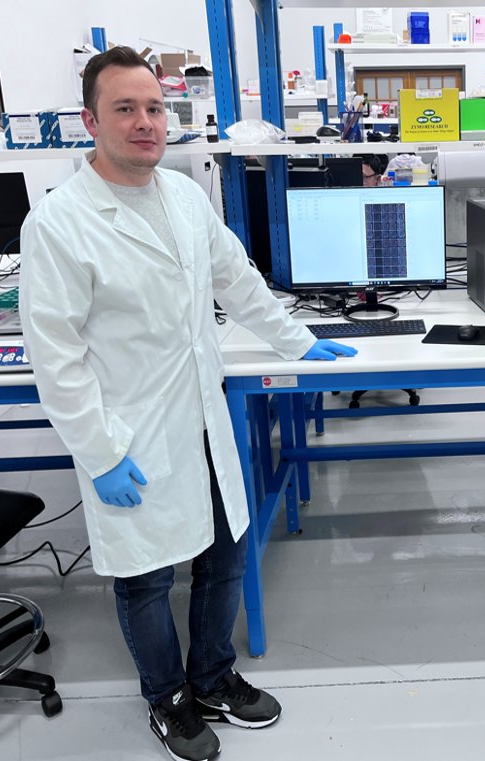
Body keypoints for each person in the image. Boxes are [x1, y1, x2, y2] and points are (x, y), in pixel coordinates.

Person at [19, 47, 356, 761]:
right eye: (125, 109)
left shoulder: (181, 194)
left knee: (225, 557)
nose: (145, 123)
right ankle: (165, 697)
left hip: (202, 417)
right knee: (145, 578)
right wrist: (101, 452)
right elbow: (57, 358)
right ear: (90, 121)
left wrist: (295, 343)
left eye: (153, 108)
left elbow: (235, 278)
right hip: (129, 434)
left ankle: (210, 676)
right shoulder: (58, 223)